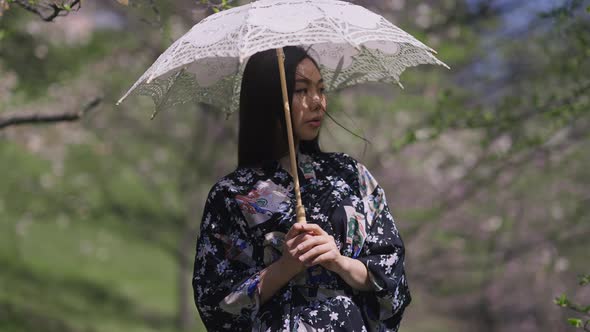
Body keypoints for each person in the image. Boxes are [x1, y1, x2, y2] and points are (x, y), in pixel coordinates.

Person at [193, 46, 411, 331]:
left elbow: (392, 275)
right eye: (301, 90)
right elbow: (215, 304)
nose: (317, 102)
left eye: (321, 89)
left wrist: (337, 261)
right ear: (268, 99)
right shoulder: (231, 194)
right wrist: (285, 267)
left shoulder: (351, 175)